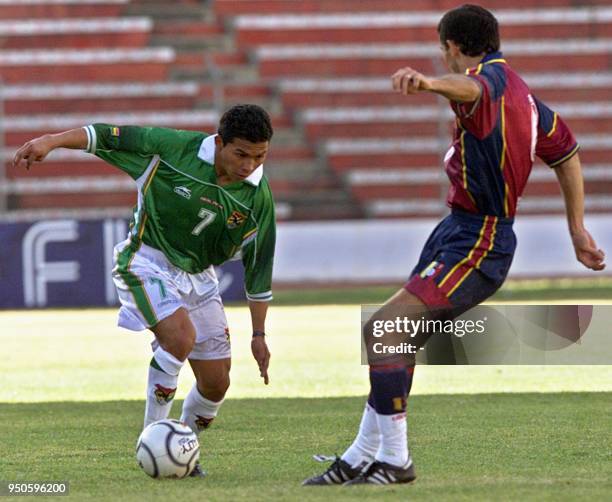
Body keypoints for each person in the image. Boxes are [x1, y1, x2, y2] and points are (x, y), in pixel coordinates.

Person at [303, 4, 605, 486]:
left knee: (383, 330)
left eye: (442, 52)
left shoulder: (483, 83)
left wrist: (428, 83)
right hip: (461, 231)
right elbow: (567, 153)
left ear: (453, 47)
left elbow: (471, 88)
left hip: (479, 238)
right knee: (396, 337)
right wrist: (576, 228)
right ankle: (363, 455)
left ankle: (395, 460)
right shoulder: (527, 100)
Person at [14, 104, 276, 478]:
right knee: (180, 338)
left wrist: (259, 334)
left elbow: (259, 269)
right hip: (145, 261)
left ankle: (182, 444)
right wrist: (50, 141)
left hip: (199, 279)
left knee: (216, 385)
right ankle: (152, 439)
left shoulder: (258, 199)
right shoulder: (172, 150)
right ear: (219, 143)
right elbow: (106, 135)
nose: (249, 165)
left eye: (259, 156)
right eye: (241, 154)